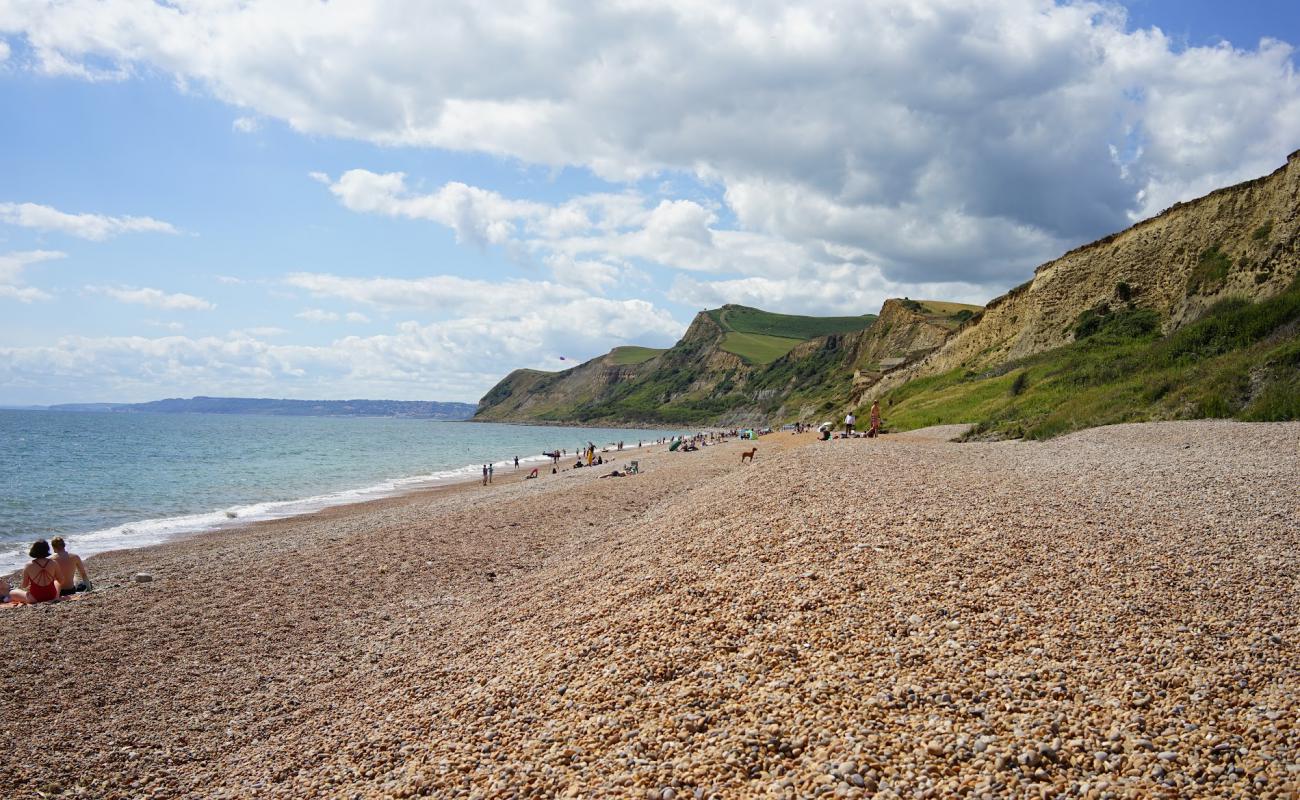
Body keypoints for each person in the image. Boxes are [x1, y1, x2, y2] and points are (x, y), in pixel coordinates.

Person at [8, 539, 61, 605]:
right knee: (56, 581)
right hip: (51, 595)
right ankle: (56, 597)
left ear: (34, 550)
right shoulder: (53, 563)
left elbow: (24, 585)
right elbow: (61, 580)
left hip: (35, 598)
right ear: (47, 549)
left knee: (12, 593)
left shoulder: (28, 565)